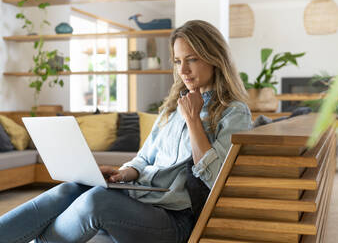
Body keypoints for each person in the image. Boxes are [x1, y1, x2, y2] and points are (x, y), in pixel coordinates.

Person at [0, 20, 252, 243]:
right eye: (177, 61)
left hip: (174, 218)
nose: (183, 70)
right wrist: (125, 172)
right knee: (72, 188)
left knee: (97, 201)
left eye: (192, 59)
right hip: (141, 199)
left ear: (214, 57)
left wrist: (194, 120)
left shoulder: (234, 113)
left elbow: (218, 179)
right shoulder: (172, 109)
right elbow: (144, 157)